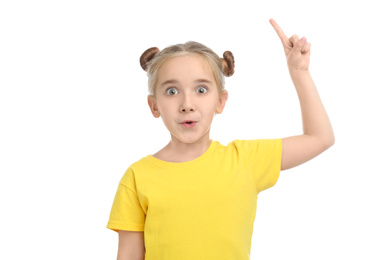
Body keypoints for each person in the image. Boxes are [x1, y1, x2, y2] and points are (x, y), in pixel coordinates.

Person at [107, 19, 335, 260]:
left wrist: (299, 72)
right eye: (172, 91)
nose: (187, 105)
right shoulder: (137, 177)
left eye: (201, 89)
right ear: (154, 105)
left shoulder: (244, 160)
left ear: (221, 101)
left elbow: (320, 137)